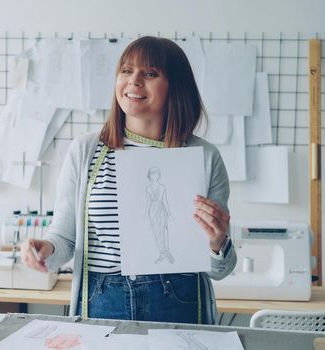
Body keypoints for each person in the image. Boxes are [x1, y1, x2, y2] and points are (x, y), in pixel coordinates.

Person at [20, 36, 236, 324]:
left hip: (177, 300)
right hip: (102, 298)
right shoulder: (85, 151)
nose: (134, 81)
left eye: (150, 73)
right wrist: (44, 249)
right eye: (126, 70)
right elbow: (64, 239)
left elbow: (218, 270)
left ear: (175, 85)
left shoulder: (205, 157)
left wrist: (217, 242)